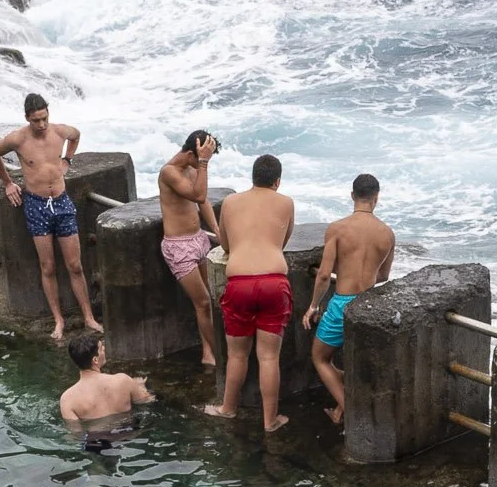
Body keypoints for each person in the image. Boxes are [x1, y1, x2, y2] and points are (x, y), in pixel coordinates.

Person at [0, 94, 100, 343]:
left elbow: (76, 135)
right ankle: (58, 320)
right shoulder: (18, 139)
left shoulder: (59, 132)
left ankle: (89, 317)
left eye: (44, 118)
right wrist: (7, 183)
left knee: (75, 265)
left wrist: (67, 160)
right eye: (36, 120)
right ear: (27, 118)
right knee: (47, 266)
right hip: (36, 205)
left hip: (61, 202)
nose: (41, 124)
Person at [202, 154, 296, 433]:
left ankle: (228, 408)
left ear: (252, 177)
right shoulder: (286, 202)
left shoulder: (231, 202)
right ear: (277, 181)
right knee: (268, 357)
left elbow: (225, 243)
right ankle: (270, 421)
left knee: (237, 355)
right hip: (273, 282)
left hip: (239, 283)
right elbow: (283, 240)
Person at [303, 173, 395, 428]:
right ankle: (344, 402)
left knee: (320, 357)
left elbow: (323, 276)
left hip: (341, 303)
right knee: (354, 364)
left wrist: (313, 306)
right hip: (367, 305)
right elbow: (384, 275)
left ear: (352, 195)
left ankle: (348, 408)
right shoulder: (387, 234)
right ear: (376, 198)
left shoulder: (337, 229)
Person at [157, 130, 223, 368]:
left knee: (210, 299)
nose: (203, 163)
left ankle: (208, 352)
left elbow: (203, 202)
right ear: (189, 154)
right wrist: (204, 164)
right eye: (200, 158)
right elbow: (198, 194)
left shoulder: (195, 168)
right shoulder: (168, 172)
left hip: (199, 239)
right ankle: (222, 357)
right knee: (203, 302)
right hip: (178, 246)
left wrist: (216, 230)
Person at [58, 334, 154, 451]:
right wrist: (140, 386)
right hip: (129, 431)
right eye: (102, 349)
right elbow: (147, 400)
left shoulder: (67, 398)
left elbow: (76, 434)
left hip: (97, 443)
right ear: (95, 360)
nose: (104, 350)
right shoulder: (123, 380)